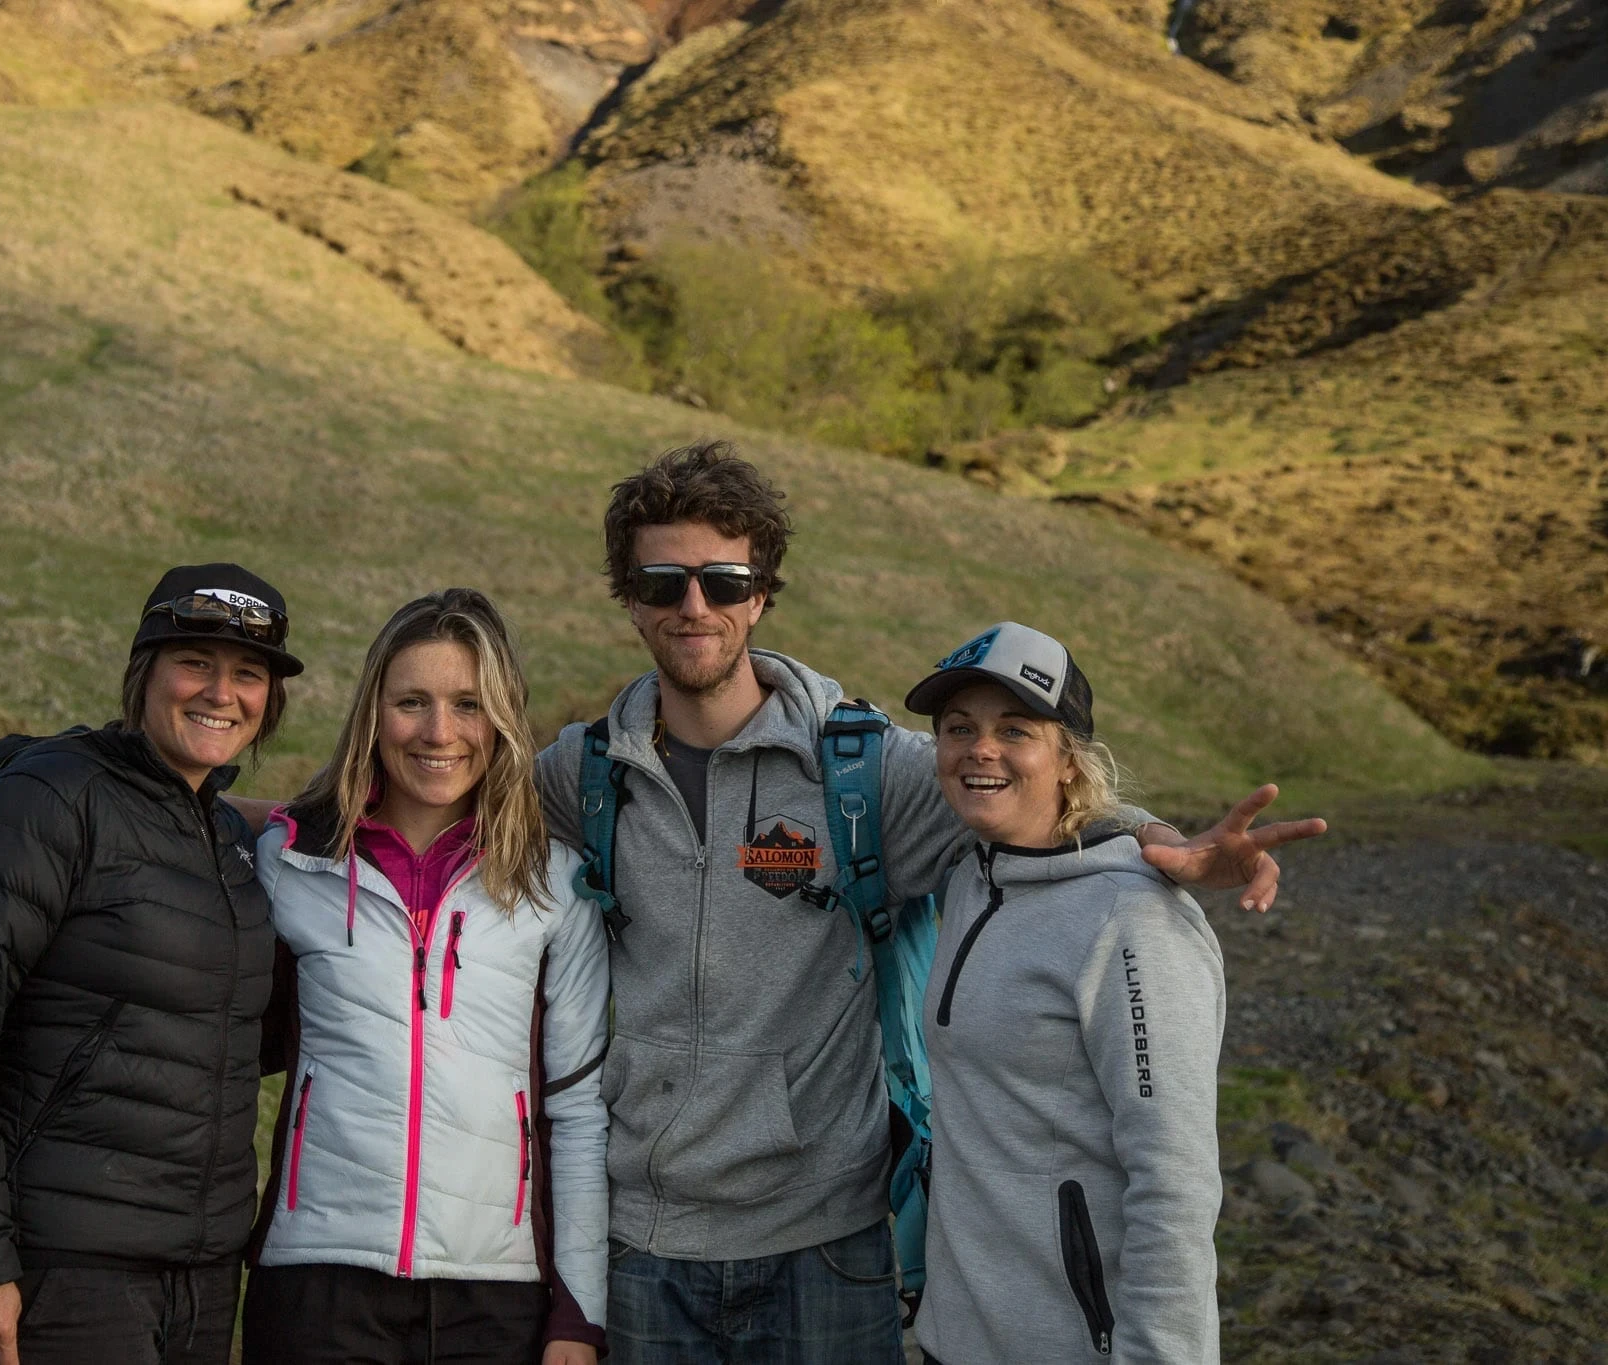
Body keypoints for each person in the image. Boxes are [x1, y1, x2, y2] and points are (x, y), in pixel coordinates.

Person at [532, 442, 1323, 1364]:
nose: (694, 605)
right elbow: (456, 806)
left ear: (762, 594)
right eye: (663, 581)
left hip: (829, 1243)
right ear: (629, 597)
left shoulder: (864, 771)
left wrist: (1167, 841)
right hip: (642, 1243)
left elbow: (1025, 792)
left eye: (725, 580)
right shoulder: (582, 772)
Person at [0, 564, 305, 1365]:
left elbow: (221, 1035)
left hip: (203, 1275)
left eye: (249, 674)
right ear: (144, 670)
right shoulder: (50, 801)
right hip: (70, 1270)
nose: (222, 693)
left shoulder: (227, 842)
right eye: (196, 663)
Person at [241, 588, 611, 1365]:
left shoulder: (553, 884)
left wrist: (578, 1314)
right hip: (316, 1281)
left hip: (495, 1298)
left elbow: (577, 1112)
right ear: (373, 714)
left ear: (501, 718)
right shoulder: (291, 863)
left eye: (467, 704)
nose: (439, 732)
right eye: (411, 701)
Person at [904, 621, 1231, 1362]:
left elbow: (1175, 1181)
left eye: (1014, 730)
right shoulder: (973, 875)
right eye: (959, 728)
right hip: (956, 1339)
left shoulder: (1132, 921)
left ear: (1070, 759)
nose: (980, 748)